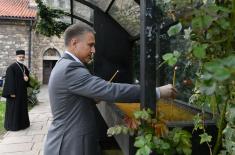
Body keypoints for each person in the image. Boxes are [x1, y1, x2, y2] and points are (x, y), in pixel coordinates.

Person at [44, 23, 177, 155]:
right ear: (74, 43)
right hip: (71, 145)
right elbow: (111, 90)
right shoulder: (69, 68)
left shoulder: (65, 64)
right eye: (90, 45)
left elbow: (71, 100)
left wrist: (91, 98)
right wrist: (156, 92)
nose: (93, 50)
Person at [2, 50, 30, 131]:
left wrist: (27, 79)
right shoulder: (11, 67)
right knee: (14, 110)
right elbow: (9, 81)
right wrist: (11, 92)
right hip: (14, 94)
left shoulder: (24, 68)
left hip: (22, 93)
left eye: (23, 57)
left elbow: (27, 79)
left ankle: (23, 125)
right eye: (20, 57)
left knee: (22, 109)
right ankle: (13, 126)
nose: (21, 58)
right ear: (16, 57)